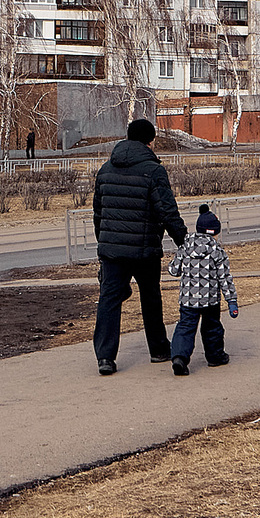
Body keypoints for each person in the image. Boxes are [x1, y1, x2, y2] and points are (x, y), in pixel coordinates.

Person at [89, 118, 185, 376]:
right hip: (145, 248)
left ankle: (105, 358)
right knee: (151, 298)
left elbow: (98, 212)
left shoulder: (106, 169)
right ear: (150, 141)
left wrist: (104, 241)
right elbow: (167, 211)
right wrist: (184, 241)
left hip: (112, 251)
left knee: (109, 300)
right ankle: (158, 349)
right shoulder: (153, 171)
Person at [166, 205, 238, 376]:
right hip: (210, 299)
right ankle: (215, 356)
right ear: (215, 232)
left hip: (188, 299)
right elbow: (224, 278)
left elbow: (173, 270)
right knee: (212, 327)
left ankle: (179, 357)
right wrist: (231, 301)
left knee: (185, 327)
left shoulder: (185, 246)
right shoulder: (217, 251)